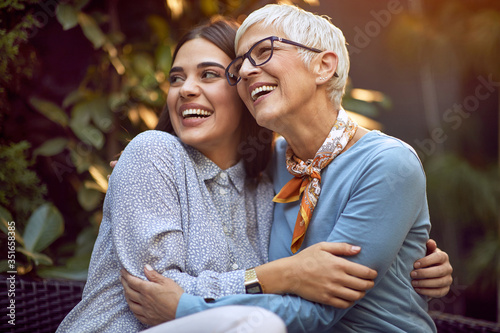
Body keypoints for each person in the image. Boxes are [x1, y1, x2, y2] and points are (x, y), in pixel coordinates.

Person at [120, 4, 453, 333]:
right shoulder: (273, 160)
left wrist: (184, 308)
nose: (247, 71)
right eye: (240, 64)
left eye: (264, 51)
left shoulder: (388, 164)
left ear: (323, 66)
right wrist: (141, 171)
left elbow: (318, 313)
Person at [57, 18, 379, 333]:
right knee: (262, 325)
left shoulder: (270, 182)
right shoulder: (152, 153)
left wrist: (415, 259)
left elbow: (330, 238)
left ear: (247, 91)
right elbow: (155, 290)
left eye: (208, 74)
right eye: (176, 79)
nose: (186, 90)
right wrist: (281, 275)